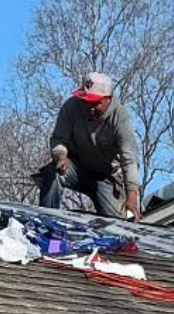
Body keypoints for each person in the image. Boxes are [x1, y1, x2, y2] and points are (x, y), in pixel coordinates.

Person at [37, 71, 142, 220]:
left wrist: (132, 195)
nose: (89, 107)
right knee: (52, 173)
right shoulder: (70, 107)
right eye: (85, 101)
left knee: (118, 225)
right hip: (77, 168)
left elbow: (129, 159)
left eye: (95, 103)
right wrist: (61, 156)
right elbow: (59, 139)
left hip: (106, 178)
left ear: (108, 99)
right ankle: (47, 223)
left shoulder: (120, 119)